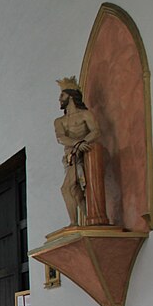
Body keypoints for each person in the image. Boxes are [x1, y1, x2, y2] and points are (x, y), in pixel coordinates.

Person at [54, 77, 107, 227]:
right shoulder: (60, 121)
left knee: (67, 188)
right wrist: (78, 144)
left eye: (62, 95)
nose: (59, 99)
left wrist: (84, 143)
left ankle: (74, 223)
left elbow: (96, 132)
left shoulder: (85, 115)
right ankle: (86, 221)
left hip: (86, 154)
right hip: (70, 156)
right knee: (76, 193)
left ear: (71, 96)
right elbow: (60, 137)